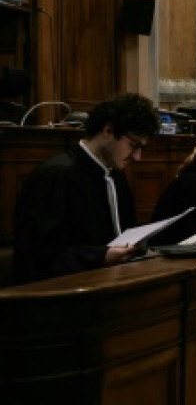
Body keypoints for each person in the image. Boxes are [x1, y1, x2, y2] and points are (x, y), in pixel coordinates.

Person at [11, 92, 160, 283]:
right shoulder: (58, 175)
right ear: (108, 131)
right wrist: (101, 257)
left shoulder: (116, 176)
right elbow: (39, 254)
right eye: (134, 145)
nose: (137, 157)